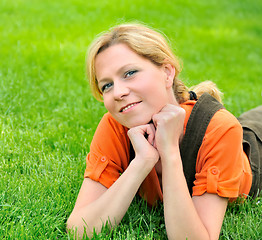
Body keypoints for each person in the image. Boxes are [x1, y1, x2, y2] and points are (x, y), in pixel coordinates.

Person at [66, 22, 253, 239]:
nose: (117, 92)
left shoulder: (221, 129)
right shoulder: (114, 126)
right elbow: (80, 231)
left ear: (167, 72)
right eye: (106, 85)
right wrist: (142, 161)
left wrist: (170, 151)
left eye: (129, 73)